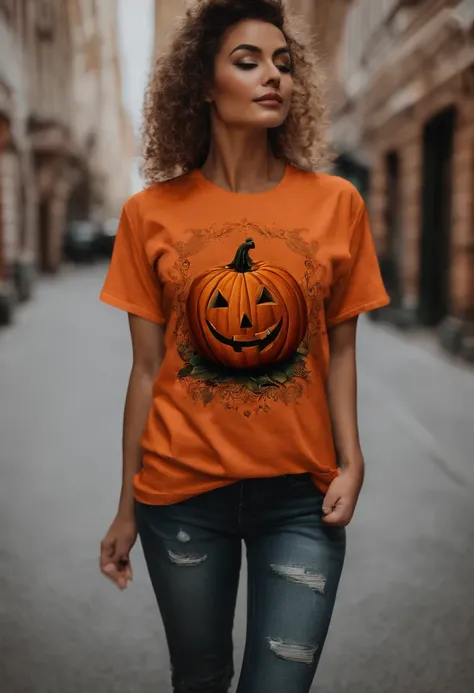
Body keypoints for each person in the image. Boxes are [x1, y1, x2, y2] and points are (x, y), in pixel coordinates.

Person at [99, 1, 390, 691]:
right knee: (199, 680)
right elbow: (145, 372)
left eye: (285, 64)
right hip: (180, 497)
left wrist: (353, 461)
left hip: (300, 502)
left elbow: (341, 350)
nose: (274, 77)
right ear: (203, 83)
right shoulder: (149, 215)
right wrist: (125, 506)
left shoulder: (336, 203)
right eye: (248, 61)